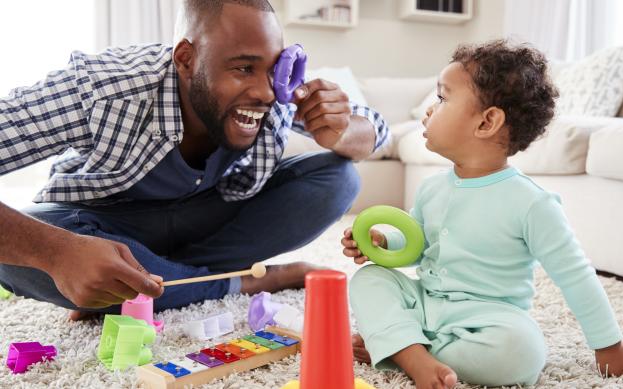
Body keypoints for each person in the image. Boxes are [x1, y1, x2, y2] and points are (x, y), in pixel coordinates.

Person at [0, 0, 389, 319]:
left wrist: (339, 129)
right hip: (103, 221)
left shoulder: (277, 94)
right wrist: (56, 253)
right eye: (242, 68)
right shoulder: (103, 88)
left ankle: (155, 285)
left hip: (205, 218)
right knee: (18, 251)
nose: (266, 92)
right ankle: (249, 280)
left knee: (338, 178)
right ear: (186, 58)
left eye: (272, 69)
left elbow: (375, 129)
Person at [341, 40, 623, 388]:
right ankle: (409, 350)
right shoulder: (433, 188)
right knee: (370, 280)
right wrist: (384, 241)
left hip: (488, 317)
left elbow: (576, 277)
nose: (428, 111)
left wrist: (609, 347)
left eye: (443, 99)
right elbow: (419, 245)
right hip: (425, 300)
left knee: (522, 354)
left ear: (487, 122)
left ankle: (400, 347)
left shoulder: (531, 203)